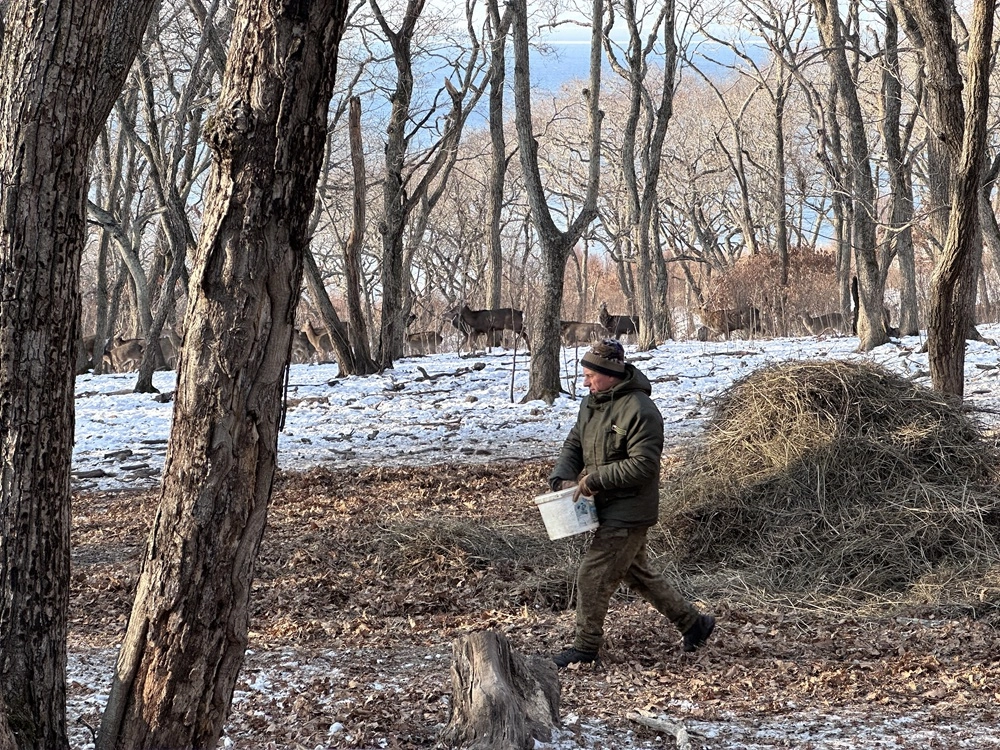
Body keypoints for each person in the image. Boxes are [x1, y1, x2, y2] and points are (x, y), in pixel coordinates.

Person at [548, 339, 715, 668]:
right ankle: (694, 624)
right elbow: (575, 442)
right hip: (604, 505)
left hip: (629, 511)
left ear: (610, 374)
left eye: (590, 376)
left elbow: (644, 466)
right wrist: (561, 477)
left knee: (592, 575)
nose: (585, 382)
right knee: (637, 574)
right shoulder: (591, 403)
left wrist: (595, 480)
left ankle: (585, 648)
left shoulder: (641, 410)